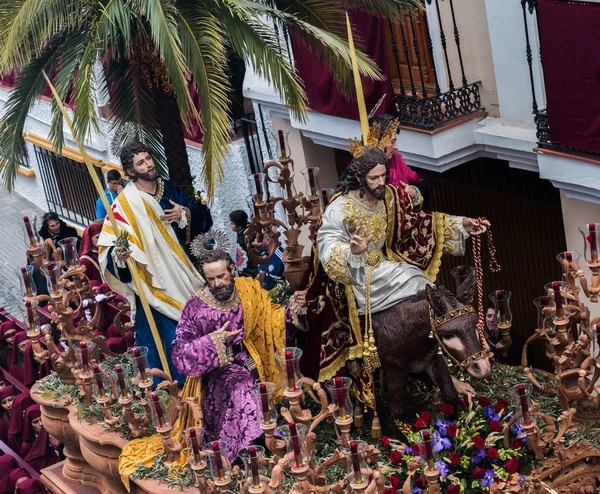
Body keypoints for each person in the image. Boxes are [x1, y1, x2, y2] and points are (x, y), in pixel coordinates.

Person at [310, 132, 488, 403]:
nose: (381, 183)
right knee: (411, 277)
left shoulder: (390, 196)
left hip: (387, 264)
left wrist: (462, 224)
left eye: (383, 176)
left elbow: (417, 222)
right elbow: (327, 247)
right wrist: (352, 251)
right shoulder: (340, 209)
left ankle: (439, 351)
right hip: (357, 274)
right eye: (374, 178)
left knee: (419, 281)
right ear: (360, 178)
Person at [171, 249, 307, 459]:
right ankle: (251, 447)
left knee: (258, 383)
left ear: (232, 269)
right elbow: (180, 353)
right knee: (241, 386)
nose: (217, 284)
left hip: (253, 359)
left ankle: (264, 439)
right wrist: (213, 342)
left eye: (221, 276)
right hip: (218, 370)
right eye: (210, 279)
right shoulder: (195, 306)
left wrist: (293, 310)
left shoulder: (247, 290)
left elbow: (272, 318)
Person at [98, 141, 213, 381]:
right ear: (130, 172)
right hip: (152, 282)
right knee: (164, 336)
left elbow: (201, 214)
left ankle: (208, 372)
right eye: (141, 162)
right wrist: (120, 257)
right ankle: (174, 386)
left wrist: (185, 214)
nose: (149, 164)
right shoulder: (124, 205)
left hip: (183, 271)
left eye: (149, 158)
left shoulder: (169, 190)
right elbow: (110, 246)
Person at [367, 114, 426, 208]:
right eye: (392, 142)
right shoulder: (359, 168)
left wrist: (413, 193)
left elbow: (417, 180)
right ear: (379, 142)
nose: (396, 147)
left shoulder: (397, 159)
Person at [229, 210, 258, 277]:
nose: (230, 225)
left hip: (250, 272)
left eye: (232, 223)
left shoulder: (247, 236)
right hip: (244, 270)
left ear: (239, 225)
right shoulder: (240, 233)